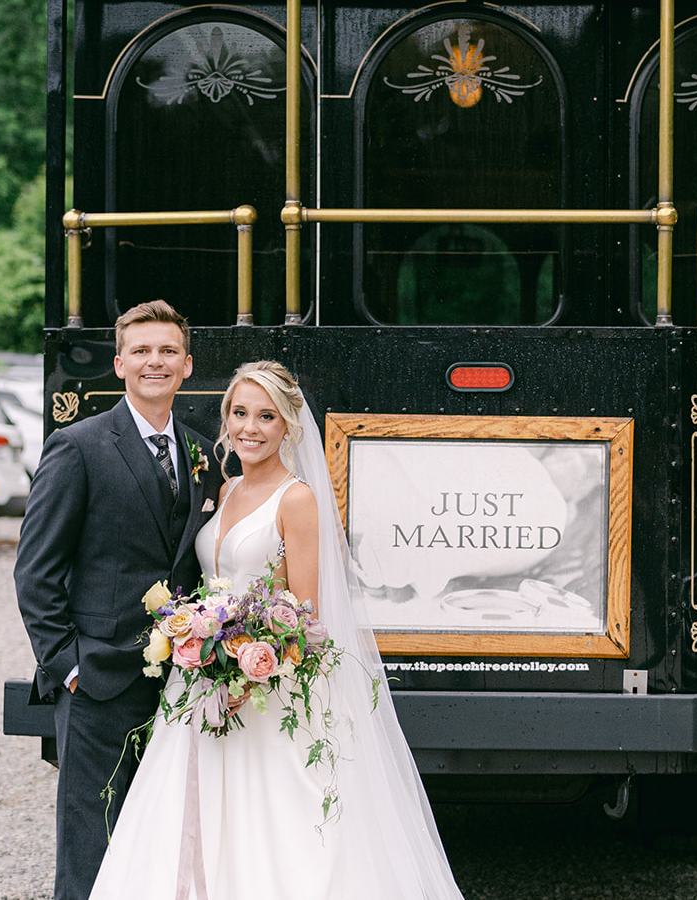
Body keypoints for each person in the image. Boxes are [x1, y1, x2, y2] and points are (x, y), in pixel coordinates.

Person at [89, 361, 464, 899]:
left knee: (274, 824)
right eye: (239, 413)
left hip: (265, 691)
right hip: (200, 685)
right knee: (187, 813)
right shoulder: (225, 489)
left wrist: (246, 676)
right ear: (226, 420)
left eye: (266, 416)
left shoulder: (297, 499)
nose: (250, 427)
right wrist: (194, 639)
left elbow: (304, 614)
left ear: (287, 425)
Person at [15, 301, 223, 900]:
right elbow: (35, 572)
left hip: (179, 683)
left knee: (159, 841)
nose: (153, 362)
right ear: (119, 364)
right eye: (141, 351)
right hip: (98, 679)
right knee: (91, 845)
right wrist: (69, 664)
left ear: (187, 366)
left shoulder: (202, 450)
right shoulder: (77, 446)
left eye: (166, 352)